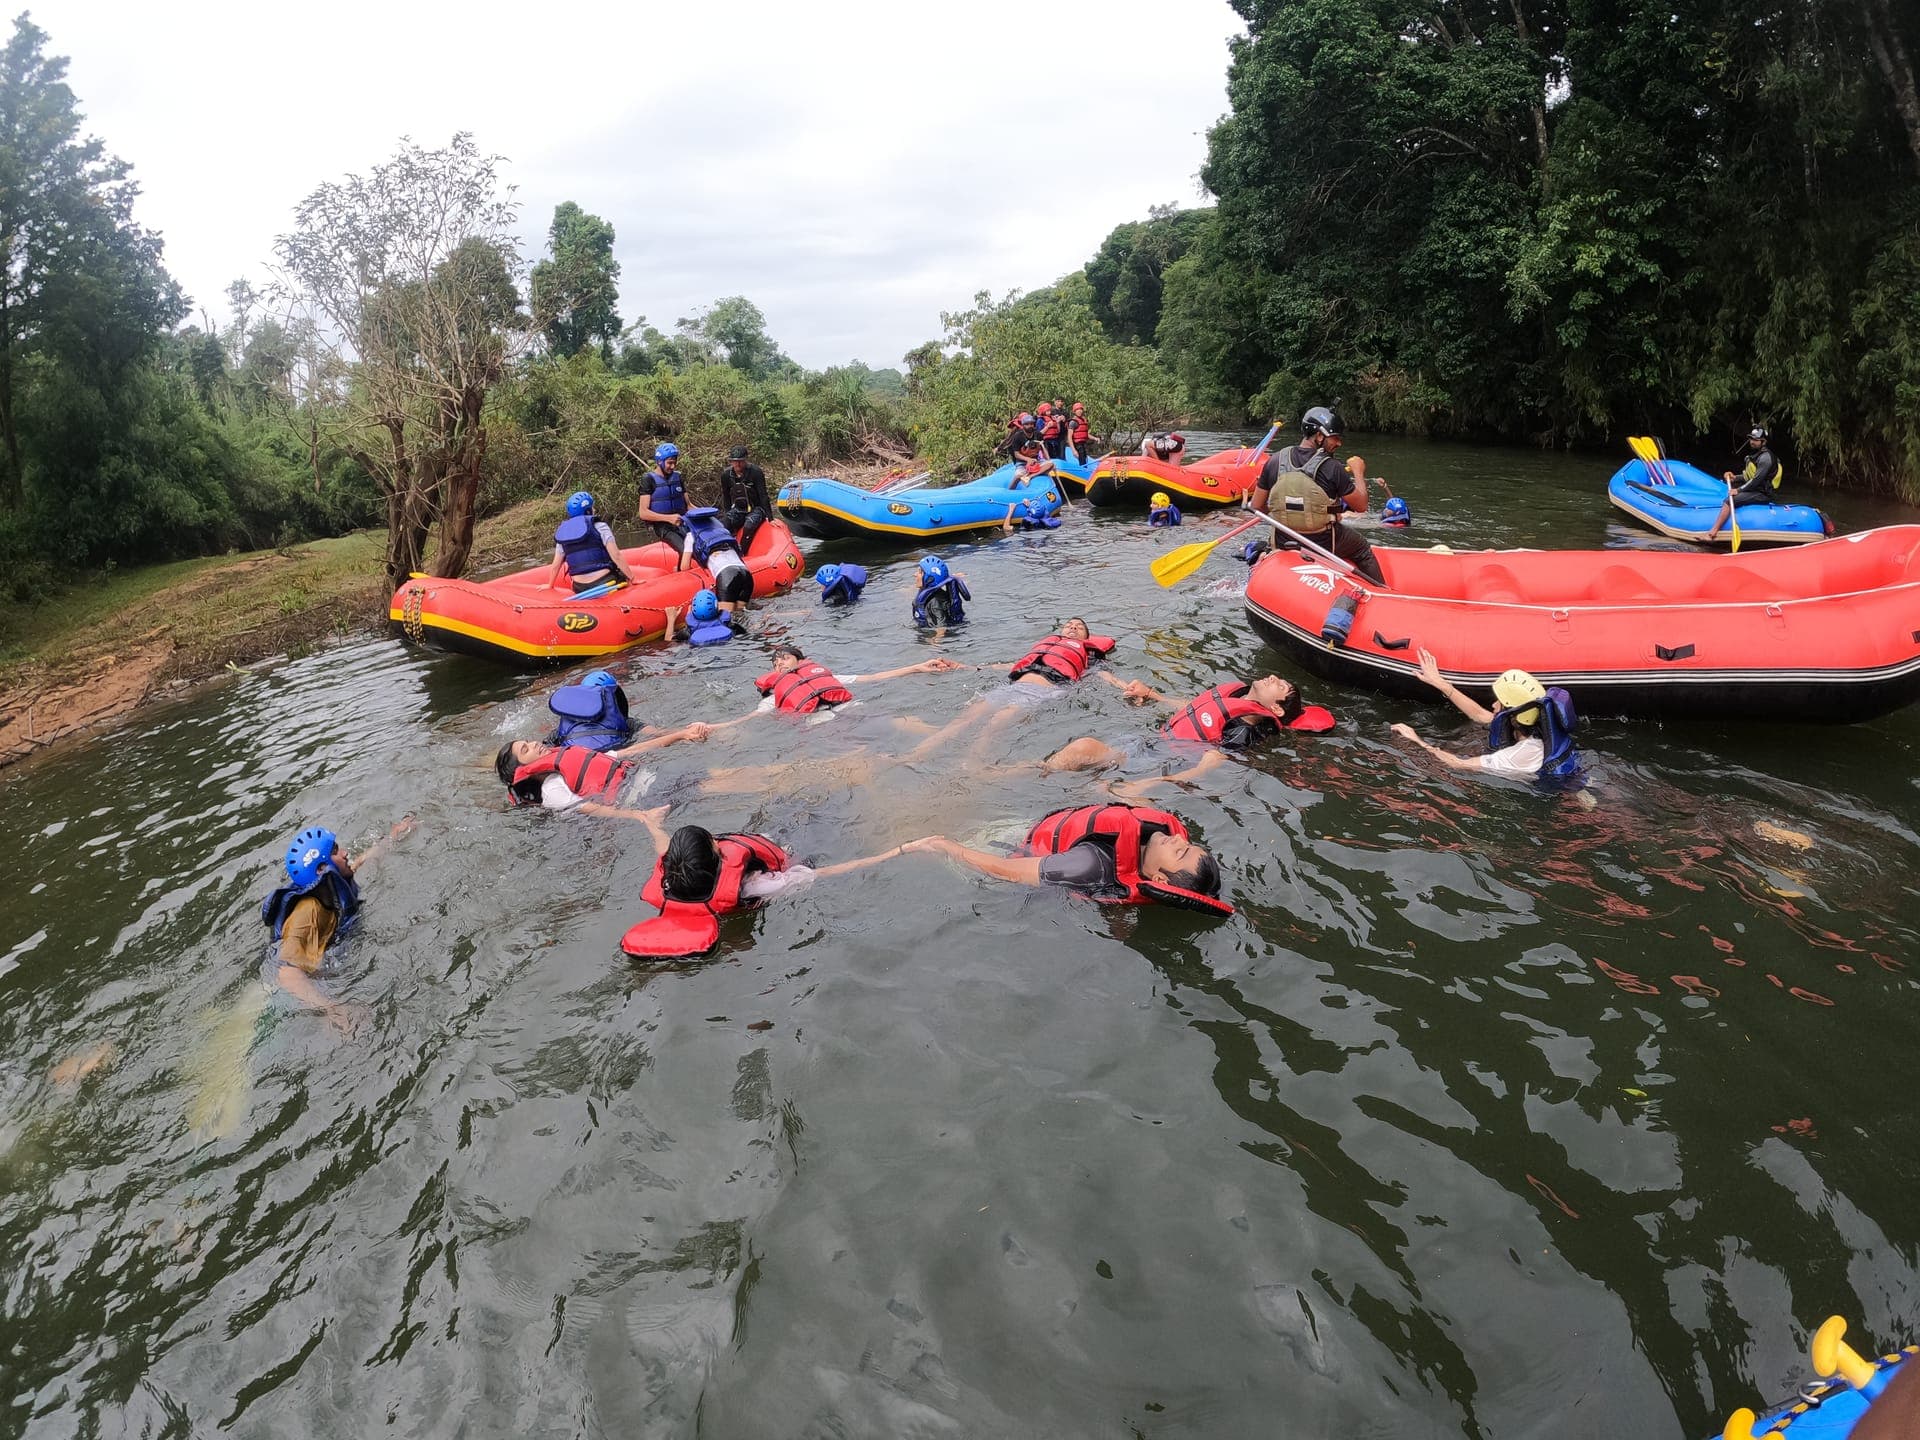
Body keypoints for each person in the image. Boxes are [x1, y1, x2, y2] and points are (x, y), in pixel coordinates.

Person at [619, 807, 909, 958]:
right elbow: (824, 873)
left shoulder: (670, 881)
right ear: (718, 857)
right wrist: (899, 851)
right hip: (788, 850)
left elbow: (663, 847)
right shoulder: (753, 886)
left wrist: (650, 823)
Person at [903, 802, 1232, 914]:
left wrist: (947, 848)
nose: (1178, 837)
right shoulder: (1149, 841)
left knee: (909, 833)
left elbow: (1006, 871)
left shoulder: (1088, 864)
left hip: (998, 854)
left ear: (1159, 880)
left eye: (1180, 851)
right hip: (1035, 834)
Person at [1038, 674, 1335, 794]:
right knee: (1080, 754)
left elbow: (1215, 759)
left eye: (1280, 685)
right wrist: (1152, 694)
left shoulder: (1249, 726)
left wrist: (1145, 785)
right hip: (1149, 743)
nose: (1273, 677)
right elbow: (1197, 709)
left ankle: (1025, 781)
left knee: (1083, 750)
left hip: (1159, 759)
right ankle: (1027, 777)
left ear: (1277, 709)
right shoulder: (1237, 699)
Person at [260, 819, 411, 1030]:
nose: (345, 853)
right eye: (336, 851)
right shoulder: (308, 911)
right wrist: (332, 1009)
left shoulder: (328, 885)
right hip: (290, 996)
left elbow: (356, 864)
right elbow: (286, 972)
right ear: (323, 867)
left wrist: (393, 837)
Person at [1389, 648, 1581, 782]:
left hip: (1562, 792)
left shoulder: (1517, 755)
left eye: (1500, 702)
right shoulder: (1537, 726)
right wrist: (1439, 683)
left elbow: (1457, 764)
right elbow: (1480, 715)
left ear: (1514, 715)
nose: (1493, 704)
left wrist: (1415, 740)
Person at [1250, 406, 1385, 585]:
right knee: (1362, 549)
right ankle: (1381, 591)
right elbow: (1361, 506)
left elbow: (1256, 506)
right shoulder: (1333, 467)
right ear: (1319, 436)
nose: (1339, 443)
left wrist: (1286, 514)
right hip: (1323, 542)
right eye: (1335, 438)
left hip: (1282, 539)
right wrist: (1358, 471)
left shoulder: (1274, 460)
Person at [495, 724, 713, 811]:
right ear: (522, 770)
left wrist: (680, 735)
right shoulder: (552, 790)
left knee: (715, 776)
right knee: (712, 783)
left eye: (528, 741)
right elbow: (594, 810)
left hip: (647, 779)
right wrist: (641, 817)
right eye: (525, 750)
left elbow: (631, 751)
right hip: (642, 796)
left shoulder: (570, 758)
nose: (533, 743)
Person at [753, 643, 967, 716]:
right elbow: (751, 717)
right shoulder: (777, 697)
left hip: (852, 710)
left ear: (801, 661)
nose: (780, 664)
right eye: (776, 664)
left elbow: (874, 677)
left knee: (902, 721)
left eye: (785, 659)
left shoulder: (827, 678)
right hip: (822, 727)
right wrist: (722, 727)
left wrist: (918, 668)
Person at [547, 492, 638, 593]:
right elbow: (616, 555)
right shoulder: (600, 526)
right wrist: (632, 578)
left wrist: (550, 585)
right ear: (588, 510)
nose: (594, 509)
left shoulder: (563, 533)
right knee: (623, 578)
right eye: (592, 507)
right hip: (606, 581)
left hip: (579, 588)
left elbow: (556, 565)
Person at [1705, 426, 1784, 540]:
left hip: (1764, 494)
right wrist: (1734, 478)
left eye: (1756, 440)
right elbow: (1749, 477)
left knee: (1729, 500)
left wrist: (1738, 490)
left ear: (1763, 442)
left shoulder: (1765, 458)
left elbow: (1756, 480)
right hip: (1757, 489)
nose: (1752, 441)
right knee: (1731, 496)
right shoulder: (1756, 455)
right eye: (1751, 439)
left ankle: (1712, 532)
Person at [677, 506, 755, 617]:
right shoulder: (723, 531)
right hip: (746, 574)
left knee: (726, 619)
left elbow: (684, 567)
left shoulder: (691, 536)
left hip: (727, 576)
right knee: (741, 616)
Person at [543, 668, 634, 750]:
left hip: (575, 758)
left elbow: (545, 749)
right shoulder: (626, 722)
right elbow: (648, 738)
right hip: (613, 754)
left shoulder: (563, 727)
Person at [637, 442, 691, 549]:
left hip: (682, 523)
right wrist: (668, 518)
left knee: (698, 544)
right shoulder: (648, 479)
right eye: (669, 463)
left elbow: (688, 506)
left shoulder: (678, 477)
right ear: (659, 462)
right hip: (663, 526)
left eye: (674, 463)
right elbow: (643, 513)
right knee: (686, 549)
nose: (673, 466)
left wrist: (706, 513)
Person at [719, 444, 773, 552]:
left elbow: (763, 495)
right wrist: (728, 514)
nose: (738, 464)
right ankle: (727, 548)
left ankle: (742, 551)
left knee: (749, 526)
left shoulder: (756, 472)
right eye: (735, 461)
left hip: (756, 508)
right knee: (723, 524)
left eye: (741, 461)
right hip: (739, 508)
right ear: (731, 462)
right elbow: (726, 497)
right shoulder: (726, 475)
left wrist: (770, 518)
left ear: (745, 460)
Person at [912, 556, 971, 627]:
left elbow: (942, 628)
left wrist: (934, 638)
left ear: (929, 579)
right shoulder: (929, 594)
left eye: (919, 572)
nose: (915, 574)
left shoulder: (935, 602)